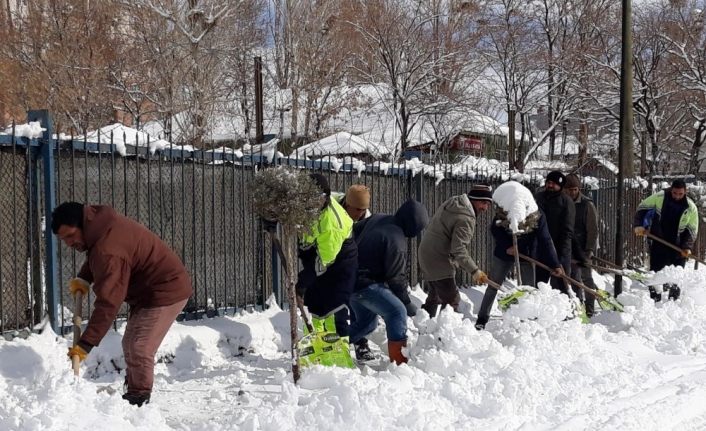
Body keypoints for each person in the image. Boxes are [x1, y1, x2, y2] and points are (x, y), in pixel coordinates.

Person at [52, 202, 192, 407]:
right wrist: (84, 277)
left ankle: (138, 400)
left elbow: (109, 303)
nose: (69, 243)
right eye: (64, 239)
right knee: (130, 343)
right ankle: (134, 390)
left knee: (139, 347)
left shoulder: (108, 249)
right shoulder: (101, 227)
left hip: (165, 290)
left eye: (71, 236)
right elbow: (97, 253)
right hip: (149, 290)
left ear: (83, 224)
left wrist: (85, 344)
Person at [349, 200, 429, 364]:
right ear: (413, 226)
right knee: (397, 312)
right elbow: (396, 278)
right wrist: (408, 305)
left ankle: (330, 345)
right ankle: (399, 362)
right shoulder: (396, 240)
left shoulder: (379, 217)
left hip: (349, 279)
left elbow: (354, 229)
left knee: (367, 323)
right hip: (365, 284)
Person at [475, 182, 563, 330]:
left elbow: (545, 240)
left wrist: (555, 264)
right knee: (493, 285)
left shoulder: (538, 216)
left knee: (528, 290)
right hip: (504, 254)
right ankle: (482, 319)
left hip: (526, 255)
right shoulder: (506, 210)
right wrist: (507, 246)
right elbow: (494, 229)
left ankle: (528, 321)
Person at [296, 173, 358, 337]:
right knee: (315, 300)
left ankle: (339, 344)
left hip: (340, 260)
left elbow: (322, 263)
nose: (315, 201)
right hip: (319, 250)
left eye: (320, 197)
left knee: (335, 303)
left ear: (326, 197)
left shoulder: (331, 224)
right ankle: (318, 341)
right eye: (311, 197)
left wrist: (301, 282)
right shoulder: (307, 206)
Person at [418, 184, 492, 317]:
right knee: (452, 299)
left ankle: (425, 326)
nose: (485, 208)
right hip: (438, 258)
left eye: (488, 204)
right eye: (483, 203)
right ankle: (445, 333)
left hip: (426, 253)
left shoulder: (454, 203)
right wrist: (475, 271)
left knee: (435, 295)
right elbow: (458, 249)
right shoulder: (465, 218)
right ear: (474, 199)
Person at [633, 179, 699, 301]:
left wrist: (687, 247)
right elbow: (642, 208)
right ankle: (654, 299)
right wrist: (640, 225)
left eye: (680, 194)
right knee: (656, 272)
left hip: (679, 246)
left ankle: (673, 300)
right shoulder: (660, 197)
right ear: (671, 190)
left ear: (685, 192)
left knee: (676, 275)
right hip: (659, 240)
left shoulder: (691, 207)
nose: (677, 196)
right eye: (675, 193)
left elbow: (692, 230)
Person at [564, 174, 599, 316]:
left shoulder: (586, 204)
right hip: (567, 246)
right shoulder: (563, 202)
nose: (572, 193)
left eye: (574, 189)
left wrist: (590, 249)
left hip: (583, 246)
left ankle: (590, 308)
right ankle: (576, 306)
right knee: (572, 278)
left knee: (586, 278)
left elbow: (593, 229)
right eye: (569, 190)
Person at [534, 171, 573, 294]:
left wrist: (560, 257)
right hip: (542, 251)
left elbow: (567, 231)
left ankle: (567, 309)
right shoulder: (539, 198)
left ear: (560, 186)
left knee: (562, 287)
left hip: (559, 249)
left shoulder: (566, 202)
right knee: (540, 286)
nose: (550, 185)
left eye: (553, 183)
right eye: (548, 182)